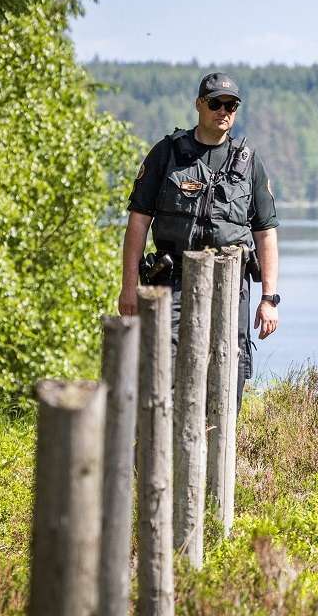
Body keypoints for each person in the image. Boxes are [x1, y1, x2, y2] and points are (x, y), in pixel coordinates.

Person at [118, 71, 280, 405]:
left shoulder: (248, 163)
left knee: (228, 369)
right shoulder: (168, 154)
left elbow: (266, 233)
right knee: (166, 365)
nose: (224, 111)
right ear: (198, 105)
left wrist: (269, 298)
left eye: (231, 105)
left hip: (231, 284)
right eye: (216, 103)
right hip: (173, 280)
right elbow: (138, 223)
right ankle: (160, 451)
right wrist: (128, 287)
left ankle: (218, 452)